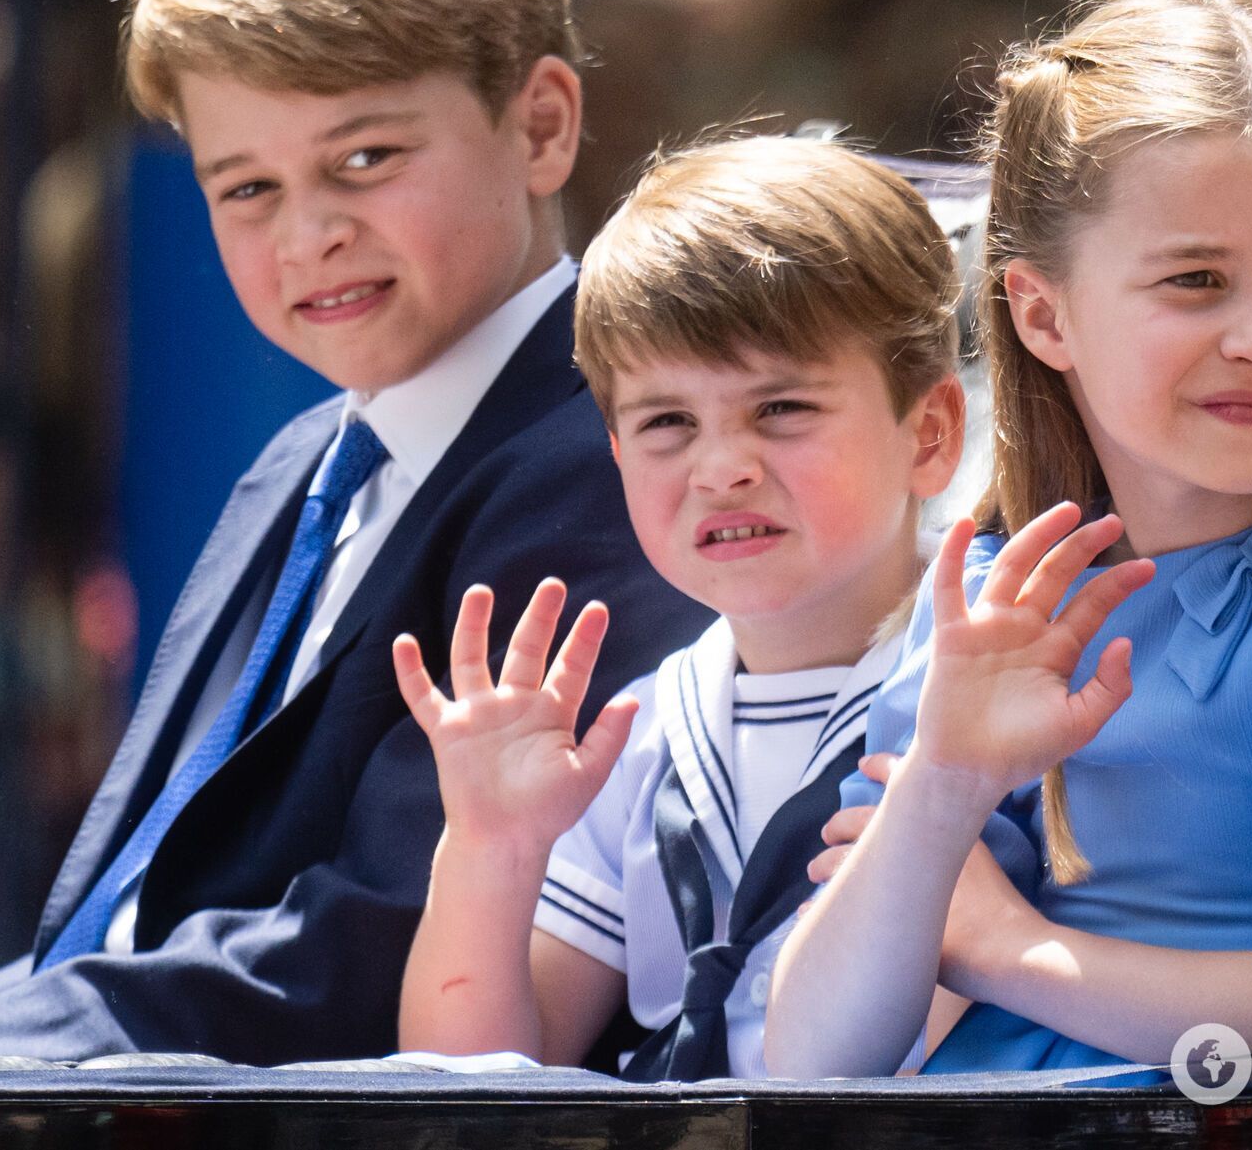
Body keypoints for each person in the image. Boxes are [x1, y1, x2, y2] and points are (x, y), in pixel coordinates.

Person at [0, 0, 708, 1064]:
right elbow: (144, 907)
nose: (307, 236)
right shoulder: (300, 466)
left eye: (364, 158)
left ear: (541, 127)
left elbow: (388, 925)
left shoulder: (615, 461)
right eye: (246, 188)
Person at [765, 0, 1252, 1077]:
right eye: (1196, 280)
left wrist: (1006, 946)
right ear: (1043, 313)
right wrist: (943, 780)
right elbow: (808, 1058)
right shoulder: (1001, 589)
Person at [394, 136, 966, 1079]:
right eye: (667, 422)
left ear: (931, 433)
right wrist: (489, 847)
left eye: (781, 408)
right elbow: (477, 1077)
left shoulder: (994, 692)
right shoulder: (638, 734)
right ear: (616, 454)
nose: (721, 466)